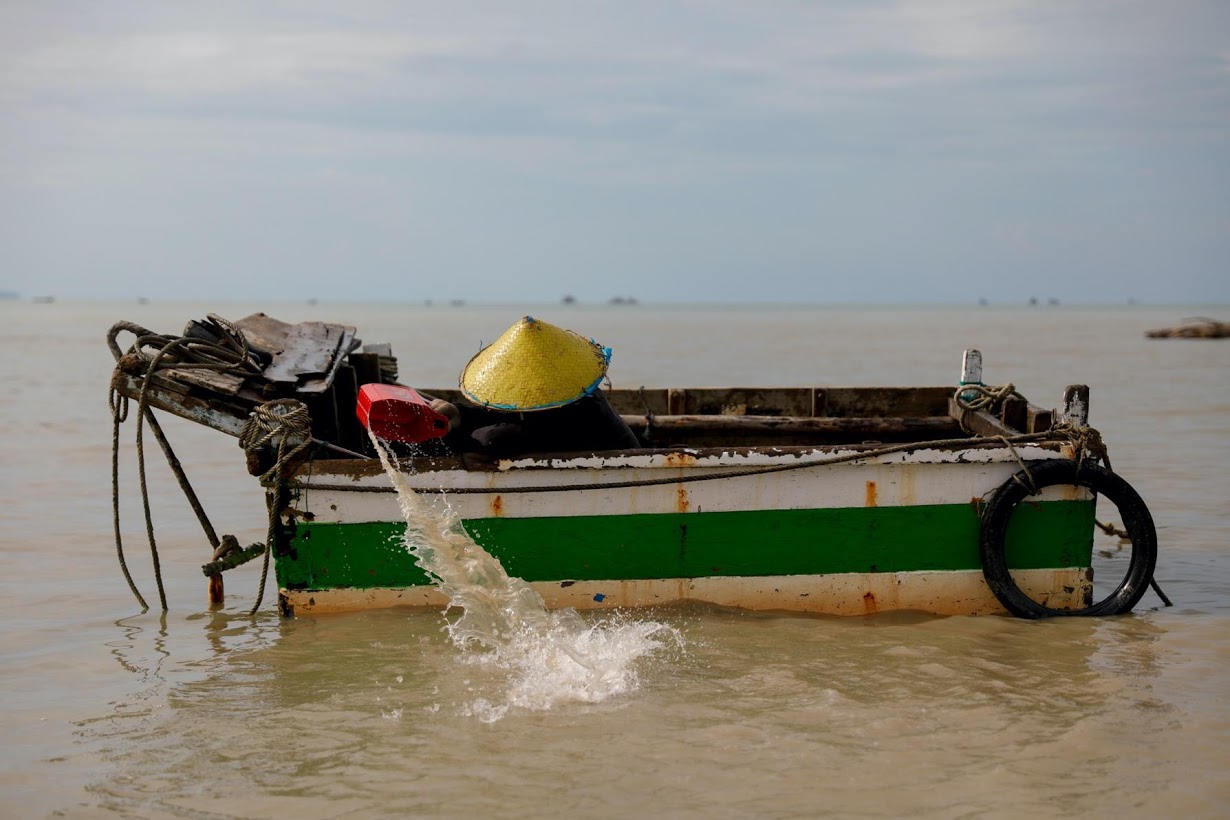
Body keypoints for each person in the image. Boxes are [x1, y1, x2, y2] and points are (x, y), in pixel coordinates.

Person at [427, 316, 640, 458]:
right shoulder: (571, 393)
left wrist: (454, 435)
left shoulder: (578, 413)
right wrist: (459, 413)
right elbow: (506, 417)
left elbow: (494, 439)